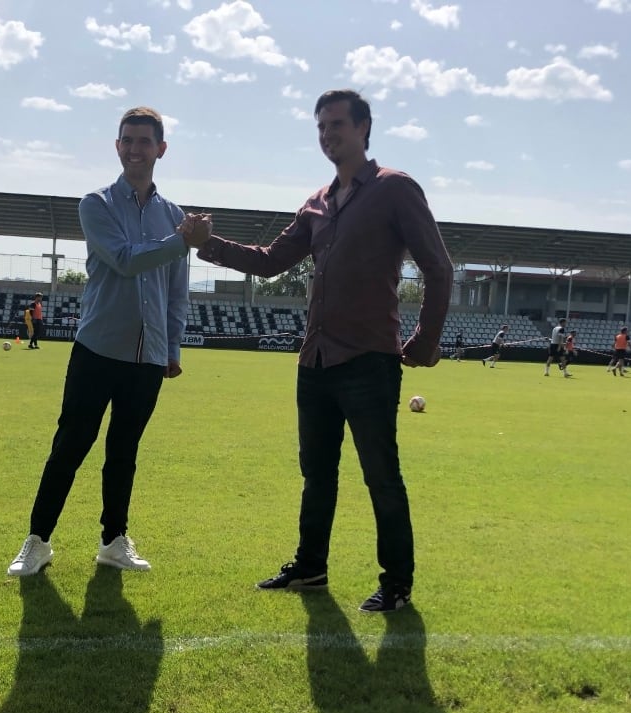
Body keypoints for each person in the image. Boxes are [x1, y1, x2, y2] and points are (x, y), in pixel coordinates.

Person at [193, 88, 452, 614]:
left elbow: (438, 266)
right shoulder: (316, 204)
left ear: (363, 128)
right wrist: (208, 244)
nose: (327, 134)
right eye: (320, 127)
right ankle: (311, 567)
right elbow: (269, 261)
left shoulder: (394, 189)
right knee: (317, 474)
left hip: (369, 360)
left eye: (336, 124)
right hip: (315, 361)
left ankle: (397, 585)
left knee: (381, 475)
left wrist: (425, 339)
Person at [7, 106, 212, 578]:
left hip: (149, 356)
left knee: (124, 452)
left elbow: (177, 292)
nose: (135, 149)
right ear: (117, 146)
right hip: (97, 349)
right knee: (71, 446)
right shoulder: (96, 203)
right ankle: (37, 542)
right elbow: (123, 259)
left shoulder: (174, 215)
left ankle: (113, 540)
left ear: (161, 149)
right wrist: (182, 242)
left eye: (145, 141)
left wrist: (173, 348)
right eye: (128, 140)